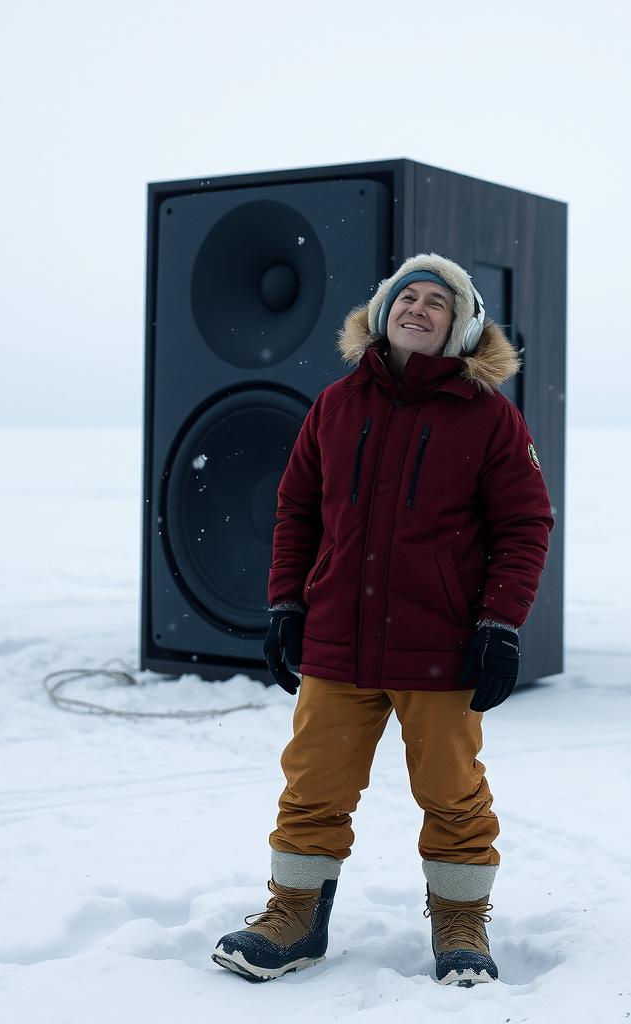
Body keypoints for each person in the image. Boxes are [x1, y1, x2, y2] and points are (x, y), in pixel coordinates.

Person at [211, 253, 554, 986]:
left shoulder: (491, 417)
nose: (419, 309)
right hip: (338, 637)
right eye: (408, 296)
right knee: (312, 785)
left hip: (443, 643)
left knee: (451, 789)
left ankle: (460, 922)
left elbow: (525, 525)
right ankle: (294, 915)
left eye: (438, 302)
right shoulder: (335, 405)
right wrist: (286, 605)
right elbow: (297, 510)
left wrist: (499, 625)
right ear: (382, 311)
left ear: (460, 327)